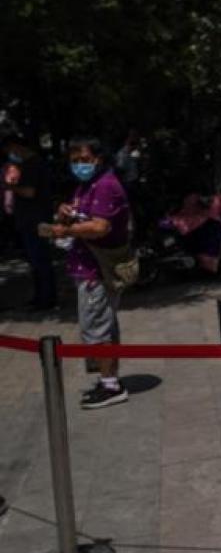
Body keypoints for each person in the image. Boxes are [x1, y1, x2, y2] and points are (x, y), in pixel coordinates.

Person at [42, 137, 132, 408]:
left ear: (98, 158)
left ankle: (110, 385)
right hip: (87, 266)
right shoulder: (88, 185)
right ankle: (109, 379)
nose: (79, 165)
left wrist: (65, 230)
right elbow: (86, 218)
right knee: (102, 325)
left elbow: (100, 227)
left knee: (97, 329)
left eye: (84, 159)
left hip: (97, 270)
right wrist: (66, 213)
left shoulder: (105, 185)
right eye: (74, 161)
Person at [1, 129, 58, 310]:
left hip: (35, 220)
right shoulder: (30, 164)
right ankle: (42, 296)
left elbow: (29, 192)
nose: (10, 155)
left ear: (15, 147)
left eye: (9, 150)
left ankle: (46, 299)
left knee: (40, 259)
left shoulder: (32, 165)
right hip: (33, 219)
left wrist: (9, 187)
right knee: (37, 260)